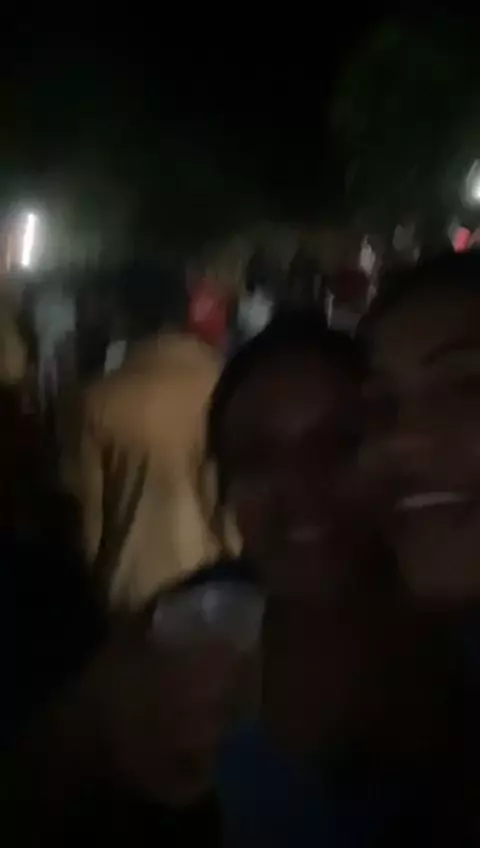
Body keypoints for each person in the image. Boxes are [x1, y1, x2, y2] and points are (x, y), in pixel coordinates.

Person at [204, 311, 463, 844]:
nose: (298, 494)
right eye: (256, 460)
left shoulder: (460, 638)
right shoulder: (193, 628)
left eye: (338, 447)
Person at [70, 265, 224, 612]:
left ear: (125, 314)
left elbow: (91, 522)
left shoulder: (99, 400)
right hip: (214, 583)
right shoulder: (223, 382)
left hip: (132, 588)